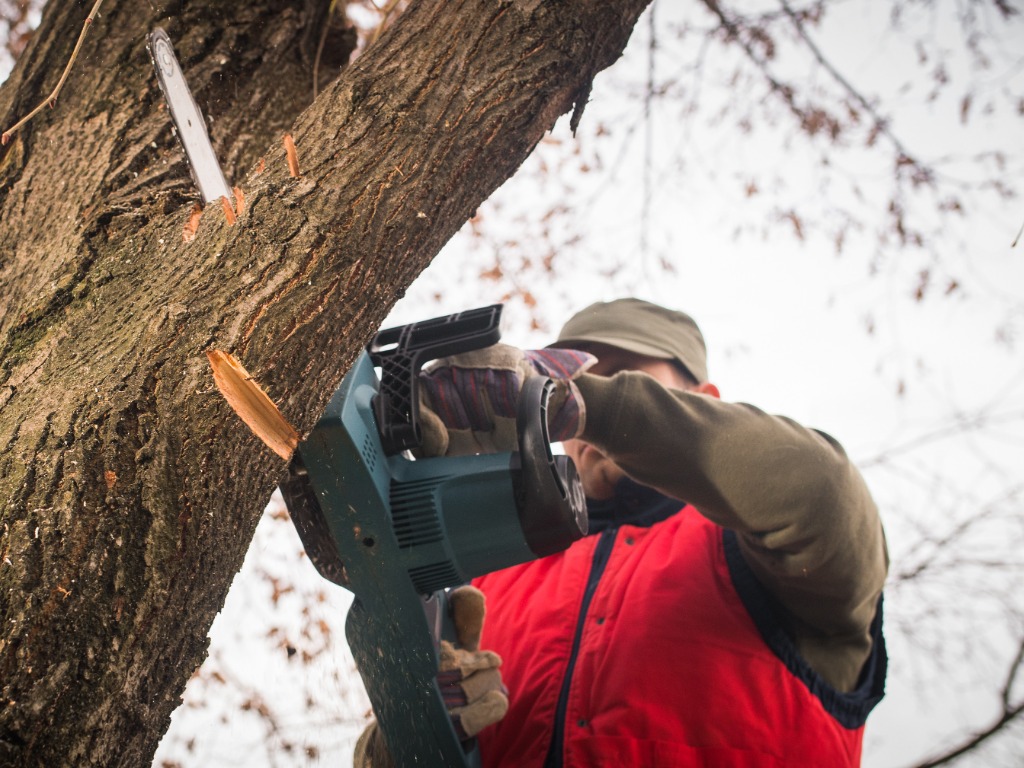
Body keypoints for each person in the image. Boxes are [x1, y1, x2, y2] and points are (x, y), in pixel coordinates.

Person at [357, 297, 888, 767]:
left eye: (623, 374)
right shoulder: (494, 571)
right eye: (578, 372)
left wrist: (581, 404)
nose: (591, 387)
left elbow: (822, 488)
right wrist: (406, 739)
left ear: (704, 397)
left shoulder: (772, 550)